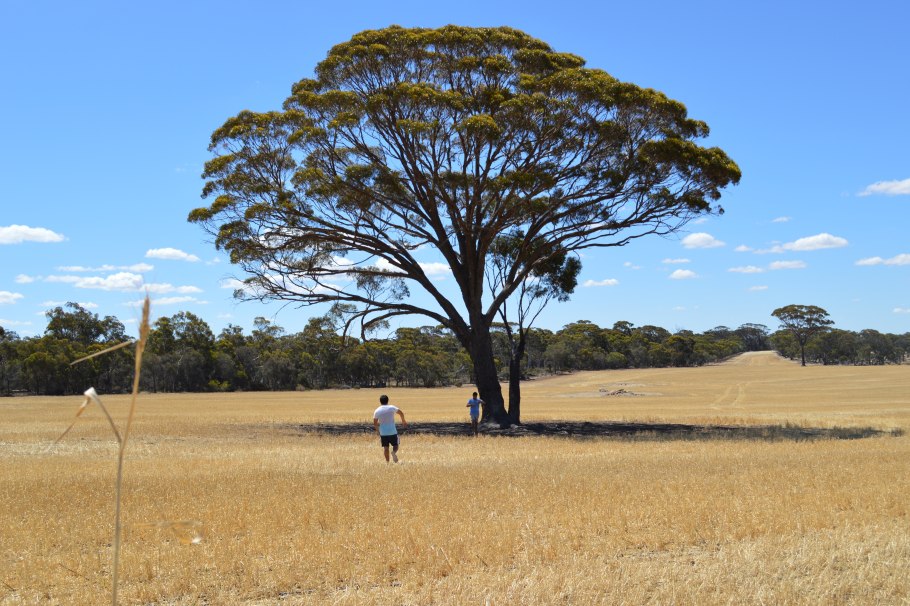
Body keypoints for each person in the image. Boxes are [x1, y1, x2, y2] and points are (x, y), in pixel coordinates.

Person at [373, 394, 408, 463]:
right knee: (396, 445)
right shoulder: (391, 407)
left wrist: (378, 431)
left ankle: (387, 463)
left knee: (386, 448)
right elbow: (401, 413)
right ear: (388, 400)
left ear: (380, 401)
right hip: (392, 431)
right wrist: (403, 421)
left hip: (383, 432)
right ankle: (393, 452)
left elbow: (375, 423)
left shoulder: (377, 411)